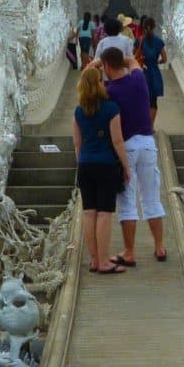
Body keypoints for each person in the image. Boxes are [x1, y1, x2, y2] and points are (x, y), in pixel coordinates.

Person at [98, 27, 167, 264]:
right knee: (152, 197)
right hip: (148, 143)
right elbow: (133, 63)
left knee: (127, 200)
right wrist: (120, 57)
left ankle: (129, 252)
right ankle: (159, 247)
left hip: (126, 147)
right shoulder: (138, 79)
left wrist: (96, 63)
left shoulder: (107, 91)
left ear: (106, 66)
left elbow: (88, 81)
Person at [72, 64, 131, 274]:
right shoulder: (111, 108)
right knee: (104, 214)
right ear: (98, 84)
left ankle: (95, 260)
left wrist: (82, 163)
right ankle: (105, 261)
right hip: (106, 165)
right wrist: (126, 166)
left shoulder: (79, 111)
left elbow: (77, 143)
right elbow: (117, 141)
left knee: (89, 213)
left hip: (86, 165)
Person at [140, 17, 167, 127]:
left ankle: (144, 126)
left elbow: (133, 57)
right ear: (154, 27)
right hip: (154, 73)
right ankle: (151, 127)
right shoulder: (159, 42)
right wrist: (157, 62)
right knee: (153, 102)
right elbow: (165, 59)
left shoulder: (139, 41)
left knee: (142, 100)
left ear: (143, 27)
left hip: (143, 72)